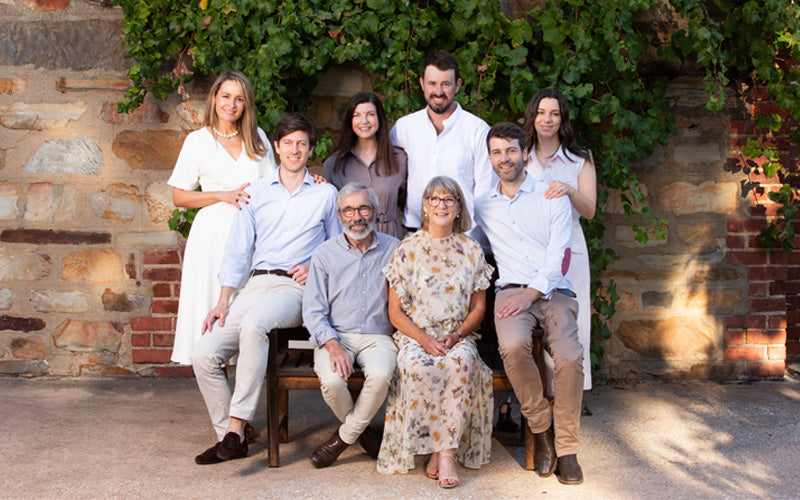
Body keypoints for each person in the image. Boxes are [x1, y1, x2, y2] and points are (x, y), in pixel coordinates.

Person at [191, 113, 340, 465]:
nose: (294, 149)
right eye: (288, 143)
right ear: (276, 147)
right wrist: (223, 301)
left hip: (295, 289)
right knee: (204, 354)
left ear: (311, 149)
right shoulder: (255, 192)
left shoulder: (326, 193)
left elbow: (338, 249)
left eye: (302, 143)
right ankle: (231, 436)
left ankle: (235, 427)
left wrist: (315, 266)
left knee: (255, 324)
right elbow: (237, 251)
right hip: (256, 284)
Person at [474, 122, 584, 485]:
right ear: (490, 157)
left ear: (524, 152)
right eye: (496, 152)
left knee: (569, 356)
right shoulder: (483, 204)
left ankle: (567, 450)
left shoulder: (551, 195)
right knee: (511, 345)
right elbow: (466, 242)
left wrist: (529, 294)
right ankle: (541, 429)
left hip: (553, 291)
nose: (504, 158)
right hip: (510, 291)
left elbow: (558, 257)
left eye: (510, 150)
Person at [377, 176, 494, 489]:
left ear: (458, 208)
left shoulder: (471, 250)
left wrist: (456, 336)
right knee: (416, 365)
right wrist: (423, 339)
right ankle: (434, 448)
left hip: (458, 335)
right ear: (425, 206)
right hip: (416, 336)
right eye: (434, 199)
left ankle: (445, 453)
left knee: (461, 363)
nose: (441, 205)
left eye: (448, 199)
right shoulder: (407, 249)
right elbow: (395, 312)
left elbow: (478, 308)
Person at [168, 69, 277, 365]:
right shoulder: (198, 141)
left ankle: (245, 383)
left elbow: (275, 187)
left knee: (245, 307)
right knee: (210, 300)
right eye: (226, 96)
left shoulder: (258, 138)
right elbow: (179, 196)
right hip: (211, 235)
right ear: (215, 98)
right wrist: (221, 195)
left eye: (239, 99)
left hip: (250, 236)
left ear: (246, 104)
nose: (231, 104)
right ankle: (211, 374)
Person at [303, 183, 401, 468]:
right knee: (332, 382)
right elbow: (313, 310)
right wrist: (332, 345)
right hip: (336, 336)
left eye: (363, 209)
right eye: (348, 210)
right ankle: (363, 435)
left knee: (381, 376)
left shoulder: (394, 249)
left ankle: (341, 440)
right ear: (339, 215)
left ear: (375, 211)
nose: (356, 217)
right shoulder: (324, 254)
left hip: (378, 336)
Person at [522, 88, 596, 391]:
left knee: (571, 326)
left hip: (570, 250)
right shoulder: (521, 156)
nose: (547, 119)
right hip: (530, 250)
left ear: (562, 119)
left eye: (554, 113)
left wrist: (570, 190)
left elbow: (589, 210)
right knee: (531, 325)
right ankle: (536, 398)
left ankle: (568, 397)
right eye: (541, 112)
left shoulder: (579, 159)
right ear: (533, 117)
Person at [389, 51, 495, 231]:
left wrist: (473, 238)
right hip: (415, 231)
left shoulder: (478, 131)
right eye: (432, 84)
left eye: (446, 84)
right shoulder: (404, 127)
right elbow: (385, 170)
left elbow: (485, 194)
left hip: (461, 234)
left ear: (457, 85)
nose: (438, 92)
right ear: (422, 84)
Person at [323, 92, 408, 239]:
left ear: (379, 118)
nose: (364, 121)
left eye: (370, 114)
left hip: (390, 238)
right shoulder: (334, 164)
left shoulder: (399, 159)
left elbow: (410, 204)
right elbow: (328, 213)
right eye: (357, 115)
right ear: (350, 121)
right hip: (352, 239)